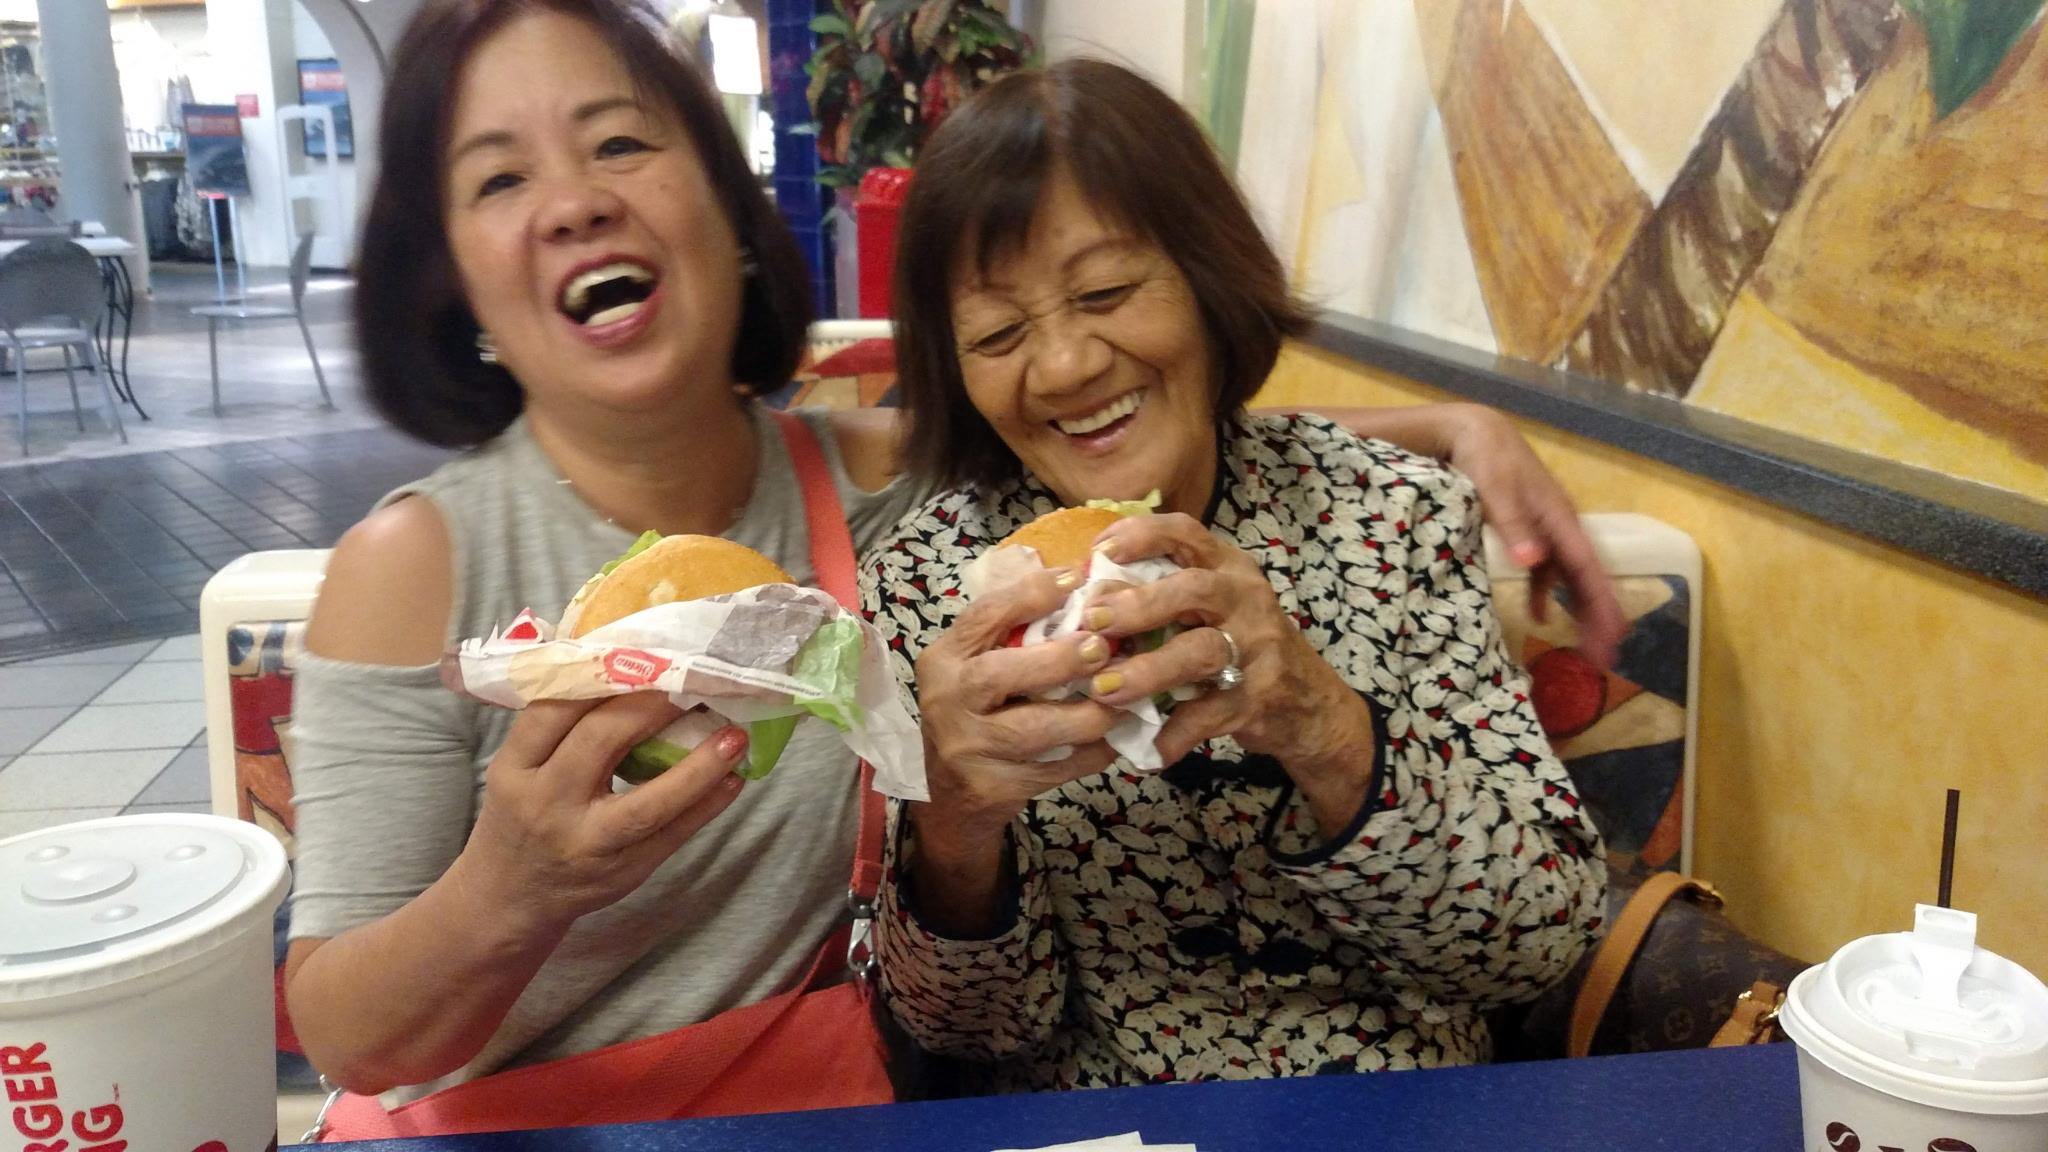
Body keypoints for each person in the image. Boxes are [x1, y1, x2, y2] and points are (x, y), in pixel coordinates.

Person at [285, 0, 1614, 1126]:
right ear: (450, 279)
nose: (574, 201)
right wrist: (513, 886)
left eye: (620, 142)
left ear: (731, 217)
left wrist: (1454, 434)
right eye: (498, 177)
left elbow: (1130, 427)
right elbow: (348, 1036)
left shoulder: (874, 486)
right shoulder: (418, 562)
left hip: (822, 1111)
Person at [861, 59, 1608, 1092]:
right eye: (997, 334)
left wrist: (1319, 721)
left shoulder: (1393, 516)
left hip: (1406, 1107)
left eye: (1105, 292)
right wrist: (952, 821)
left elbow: (1537, 943)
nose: (1067, 365)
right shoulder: (927, 587)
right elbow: (960, 1035)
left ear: (1206, 277)